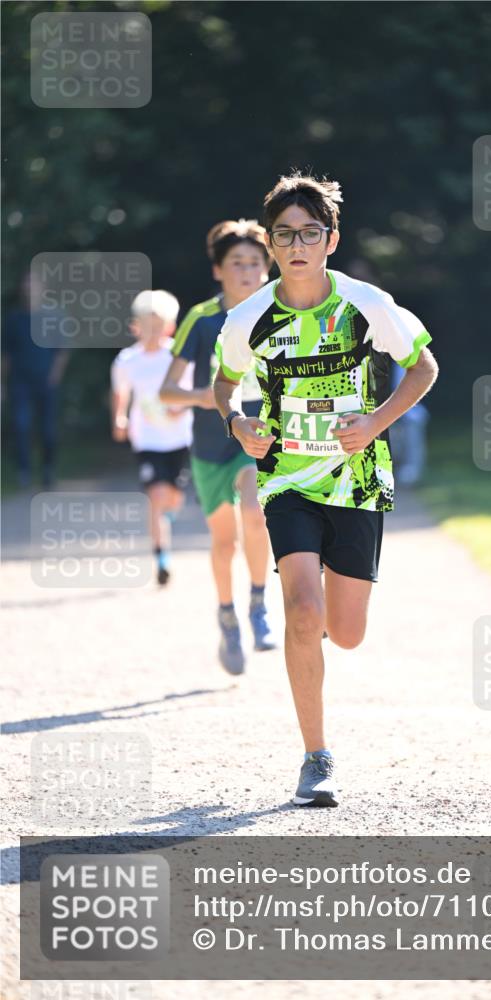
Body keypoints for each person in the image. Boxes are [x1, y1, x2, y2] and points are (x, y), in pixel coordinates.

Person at [213, 172, 438, 806]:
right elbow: (225, 384)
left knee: (346, 631)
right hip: (287, 479)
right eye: (284, 234)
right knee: (302, 612)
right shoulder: (247, 318)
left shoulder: (367, 304)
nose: (297, 245)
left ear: (330, 240)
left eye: (309, 233)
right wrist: (237, 422)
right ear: (271, 242)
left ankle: (321, 644)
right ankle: (316, 756)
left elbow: (423, 366)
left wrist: (374, 423)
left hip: (358, 482)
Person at [159, 219, 277, 675]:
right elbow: (167, 392)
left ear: (267, 269)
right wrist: (204, 397)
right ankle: (227, 614)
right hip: (210, 442)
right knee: (224, 541)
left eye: (255, 264)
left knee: (255, 509)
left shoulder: (278, 314)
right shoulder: (202, 319)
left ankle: (259, 604)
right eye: (237, 264)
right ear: (218, 271)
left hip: (258, 435)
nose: (247, 272)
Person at [110, 289, 192, 586]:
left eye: (159, 325)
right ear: (135, 326)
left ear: (170, 327)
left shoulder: (178, 355)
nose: (153, 332)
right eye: (147, 325)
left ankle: (166, 518)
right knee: (155, 496)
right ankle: (161, 557)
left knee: (173, 497)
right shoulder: (127, 360)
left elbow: (193, 391)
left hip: (178, 438)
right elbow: (121, 392)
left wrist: (180, 408)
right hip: (146, 439)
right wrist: (119, 416)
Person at [3, 272, 69, 488]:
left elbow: (62, 350)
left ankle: (48, 469)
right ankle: (24, 471)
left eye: (34, 283)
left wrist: (55, 376)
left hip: (46, 382)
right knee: (21, 426)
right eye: (27, 282)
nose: (30, 287)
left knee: (48, 430)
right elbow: (5, 355)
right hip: (20, 382)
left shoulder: (53, 318)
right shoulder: (14, 319)